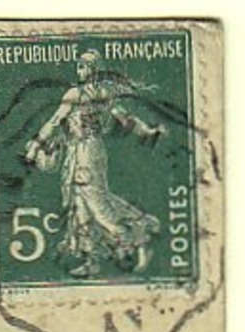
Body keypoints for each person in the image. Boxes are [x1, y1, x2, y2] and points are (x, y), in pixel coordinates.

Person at [23, 50, 167, 278]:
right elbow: (125, 118)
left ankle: (136, 240)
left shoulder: (75, 94)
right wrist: (146, 131)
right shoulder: (105, 91)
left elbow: (54, 121)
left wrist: (34, 147)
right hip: (92, 150)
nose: (79, 70)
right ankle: (93, 258)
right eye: (78, 66)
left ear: (93, 69)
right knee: (82, 203)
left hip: (84, 152)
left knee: (97, 204)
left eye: (83, 66)